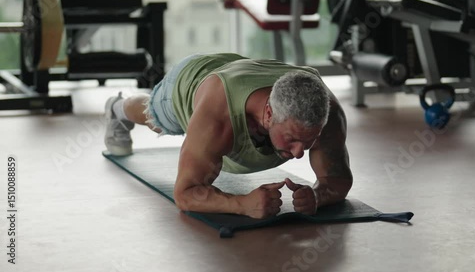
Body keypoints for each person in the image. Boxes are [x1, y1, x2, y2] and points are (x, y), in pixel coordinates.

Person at [104, 53, 353, 219]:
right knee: (157, 121)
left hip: (240, 71)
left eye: (308, 142)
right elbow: (185, 194)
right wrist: (242, 204)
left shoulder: (326, 113)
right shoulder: (217, 118)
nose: (299, 153)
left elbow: (338, 179)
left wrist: (317, 197)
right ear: (269, 113)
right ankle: (117, 107)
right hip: (188, 82)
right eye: (292, 140)